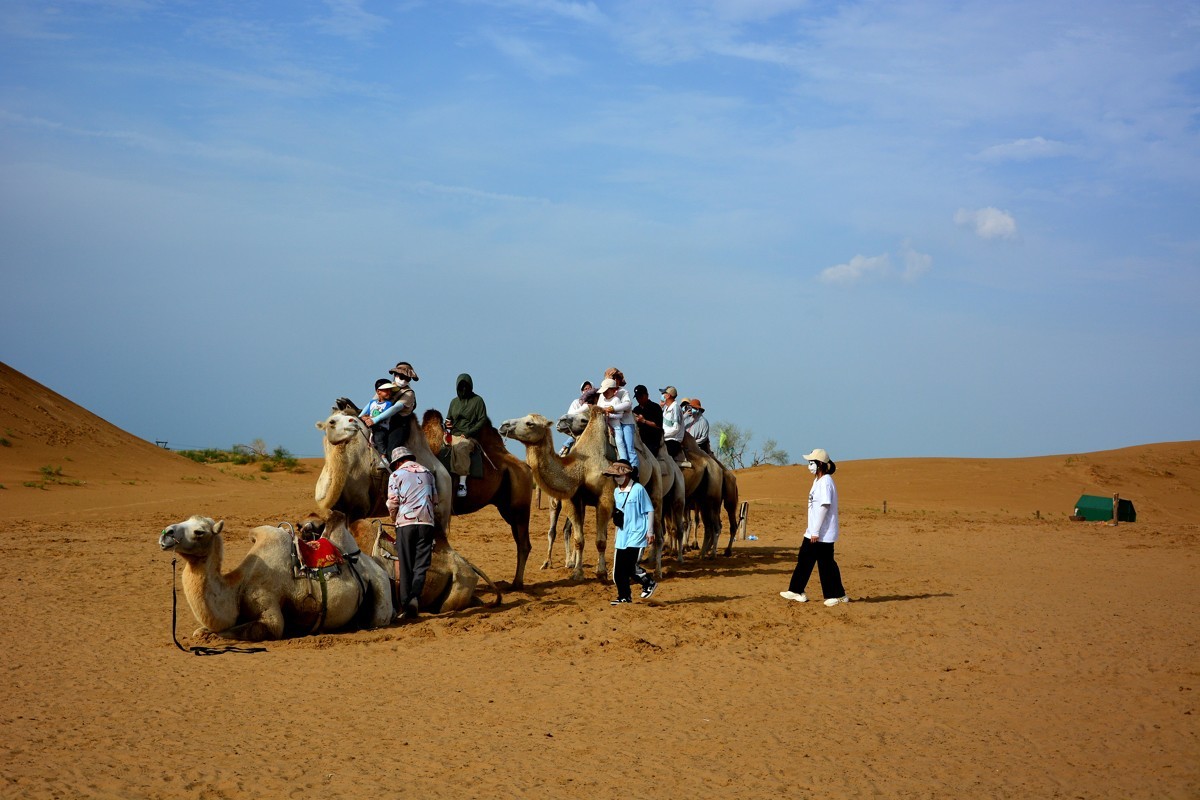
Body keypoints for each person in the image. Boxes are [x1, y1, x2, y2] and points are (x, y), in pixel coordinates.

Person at [781, 448, 849, 607]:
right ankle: (796, 590)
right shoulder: (817, 481)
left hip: (823, 533)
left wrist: (816, 531)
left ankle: (836, 595)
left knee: (826, 563)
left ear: (820, 464)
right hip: (813, 531)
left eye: (811, 462)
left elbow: (824, 506)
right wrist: (812, 530)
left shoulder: (826, 482)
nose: (809, 465)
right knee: (804, 558)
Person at [386, 446, 439, 619]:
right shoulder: (428, 473)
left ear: (399, 462)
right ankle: (415, 598)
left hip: (405, 523)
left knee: (405, 563)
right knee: (421, 565)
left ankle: (404, 604)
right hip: (427, 523)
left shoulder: (395, 475)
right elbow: (435, 500)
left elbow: (392, 502)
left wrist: (395, 519)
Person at [604, 459, 656, 605]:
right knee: (617, 572)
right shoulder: (616, 491)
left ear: (627, 475)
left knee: (629, 566)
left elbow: (649, 509)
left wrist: (650, 532)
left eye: (618, 475)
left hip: (637, 534)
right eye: (614, 476)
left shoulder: (638, 489)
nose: (616, 478)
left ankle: (648, 582)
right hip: (622, 535)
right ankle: (624, 597)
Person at [446, 372, 488, 498]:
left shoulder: (478, 401)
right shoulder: (454, 402)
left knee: (461, 448)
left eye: (466, 386)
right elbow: (449, 418)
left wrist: (468, 433)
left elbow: (482, 420)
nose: (463, 389)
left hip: (470, 437)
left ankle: (462, 483)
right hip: (452, 434)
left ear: (471, 386)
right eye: (460, 386)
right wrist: (447, 425)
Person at [374, 361, 419, 456]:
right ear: (395, 375)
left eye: (407, 379)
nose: (404, 381)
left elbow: (395, 408)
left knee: (392, 450)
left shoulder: (409, 393)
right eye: (402, 377)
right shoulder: (385, 387)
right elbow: (374, 403)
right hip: (382, 423)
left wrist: (375, 419)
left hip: (398, 425)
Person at [597, 377, 638, 469]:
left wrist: (610, 412)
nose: (604, 393)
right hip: (606, 424)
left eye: (606, 391)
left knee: (623, 443)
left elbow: (625, 408)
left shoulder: (620, 395)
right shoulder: (602, 398)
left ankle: (626, 464)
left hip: (620, 424)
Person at [359, 379, 395, 462]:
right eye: (386, 390)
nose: (389, 392)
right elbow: (366, 413)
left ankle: (383, 457)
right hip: (370, 426)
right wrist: (364, 417)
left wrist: (370, 419)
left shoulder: (388, 404)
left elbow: (383, 415)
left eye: (390, 390)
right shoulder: (372, 403)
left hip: (381, 427)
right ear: (378, 392)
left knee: (379, 438)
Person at [561, 380, 595, 455]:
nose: (587, 390)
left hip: (594, 426)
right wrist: (585, 407)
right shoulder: (576, 402)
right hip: (579, 427)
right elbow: (570, 414)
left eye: (589, 388)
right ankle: (564, 449)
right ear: (582, 391)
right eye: (585, 389)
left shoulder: (597, 401)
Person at [660, 385, 690, 468]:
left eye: (664, 393)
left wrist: (662, 434)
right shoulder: (666, 408)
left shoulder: (675, 408)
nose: (662, 395)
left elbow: (676, 428)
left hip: (673, 440)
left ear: (668, 395)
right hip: (665, 438)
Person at [632, 384, 664, 456]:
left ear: (646, 395)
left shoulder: (655, 407)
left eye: (640, 396)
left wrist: (644, 421)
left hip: (652, 441)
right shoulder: (636, 409)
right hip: (639, 439)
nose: (638, 399)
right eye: (637, 397)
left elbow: (658, 426)